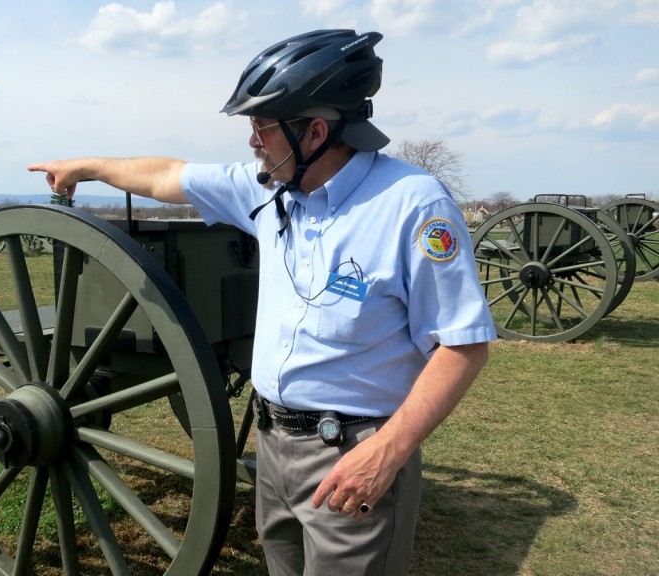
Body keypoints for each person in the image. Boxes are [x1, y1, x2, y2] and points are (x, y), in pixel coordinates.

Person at [29, 29, 496, 576]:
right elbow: (165, 175)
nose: (253, 142)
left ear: (315, 132)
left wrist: (388, 452)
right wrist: (85, 167)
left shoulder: (412, 205)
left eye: (262, 127)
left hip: (353, 453)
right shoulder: (265, 186)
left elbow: (463, 345)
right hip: (273, 446)